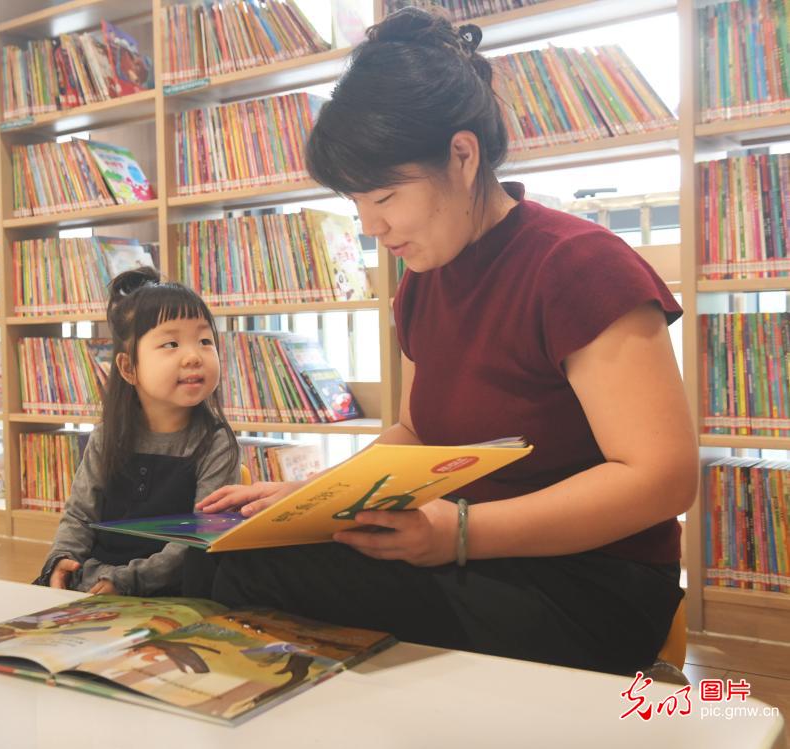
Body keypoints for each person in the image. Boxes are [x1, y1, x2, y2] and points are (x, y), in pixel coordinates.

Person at [195, 7, 697, 676]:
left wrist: (460, 534)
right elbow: (416, 430)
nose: (371, 225)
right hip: (468, 554)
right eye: (354, 204)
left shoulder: (577, 265)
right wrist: (307, 498)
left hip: (587, 585)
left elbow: (660, 479)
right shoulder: (424, 279)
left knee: (253, 582)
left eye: (383, 195)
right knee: (236, 554)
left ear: (462, 156)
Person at [32, 267, 239, 596]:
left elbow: (199, 539)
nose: (193, 356)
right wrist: (61, 560)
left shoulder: (216, 442)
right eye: (171, 343)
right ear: (129, 368)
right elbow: (80, 514)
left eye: (205, 341)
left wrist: (127, 581)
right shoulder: (107, 435)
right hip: (96, 577)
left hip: (170, 587)